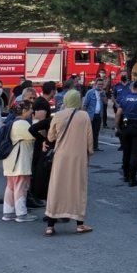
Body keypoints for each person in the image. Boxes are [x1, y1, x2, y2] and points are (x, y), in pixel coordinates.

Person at [44, 90, 94, 236]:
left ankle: (50, 225)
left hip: (61, 156)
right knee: (78, 188)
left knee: (56, 187)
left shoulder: (58, 115)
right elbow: (89, 139)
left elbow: (51, 137)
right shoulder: (84, 116)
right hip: (78, 156)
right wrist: (90, 152)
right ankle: (79, 224)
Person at [1, 100, 38, 223]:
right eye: (30, 109)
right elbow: (34, 136)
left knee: (11, 186)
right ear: (23, 111)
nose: (32, 111)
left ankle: (8, 212)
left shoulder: (10, 122)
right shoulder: (23, 124)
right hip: (20, 161)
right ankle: (21, 213)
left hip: (10, 160)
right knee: (21, 187)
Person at [28, 81, 56, 207]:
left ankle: (33, 195)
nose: (55, 92)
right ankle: (34, 196)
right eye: (54, 90)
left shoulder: (40, 101)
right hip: (39, 141)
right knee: (37, 168)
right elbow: (40, 123)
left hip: (38, 139)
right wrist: (45, 139)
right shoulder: (43, 104)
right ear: (52, 91)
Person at [82, 76, 106, 152]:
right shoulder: (90, 92)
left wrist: (103, 95)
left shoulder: (103, 93)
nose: (100, 86)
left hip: (98, 115)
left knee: (96, 132)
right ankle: (88, 147)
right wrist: (84, 115)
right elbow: (85, 104)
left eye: (102, 84)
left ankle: (95, 146)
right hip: (90, 115)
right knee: (89, 132)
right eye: (99, 84)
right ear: (95, 84)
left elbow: (106, 102)